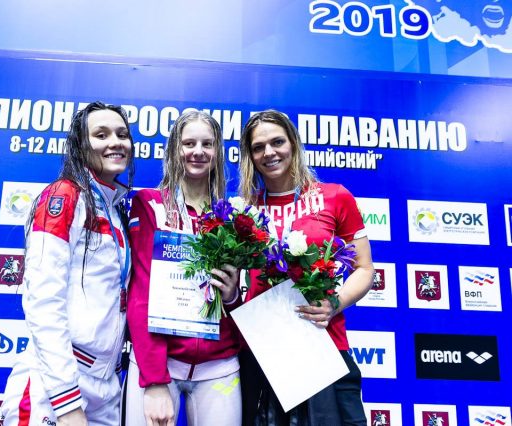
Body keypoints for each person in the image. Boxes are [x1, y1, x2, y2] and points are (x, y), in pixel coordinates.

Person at [1, 102, 135, 426]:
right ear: (80, 144)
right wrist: (66, 400)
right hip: (57, 382)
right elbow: (43, 301)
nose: (115, 142)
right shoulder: (64, 196)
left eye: (122, 134)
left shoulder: (116, 210)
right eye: (101, 135)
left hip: (106, 385)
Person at [238, 110, 374, 426]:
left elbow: (364, 269)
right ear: (250, 156)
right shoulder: (244, 208)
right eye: (258, 147)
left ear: (293, 144)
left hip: (323, 344)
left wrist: (335, 303)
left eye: (277, 142)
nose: (269, 152)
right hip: (262, 349)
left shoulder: (335, 197)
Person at [124, 110, 243, 426]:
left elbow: (241, 300)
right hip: (161, 364)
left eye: (207, 144)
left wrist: (232, 296)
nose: (198, 151)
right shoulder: (150, 205)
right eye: (189, 143)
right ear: (175, 149)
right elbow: (141, 293)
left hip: (220, 365)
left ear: (217, 152)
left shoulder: (232, 216)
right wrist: (153, 378)